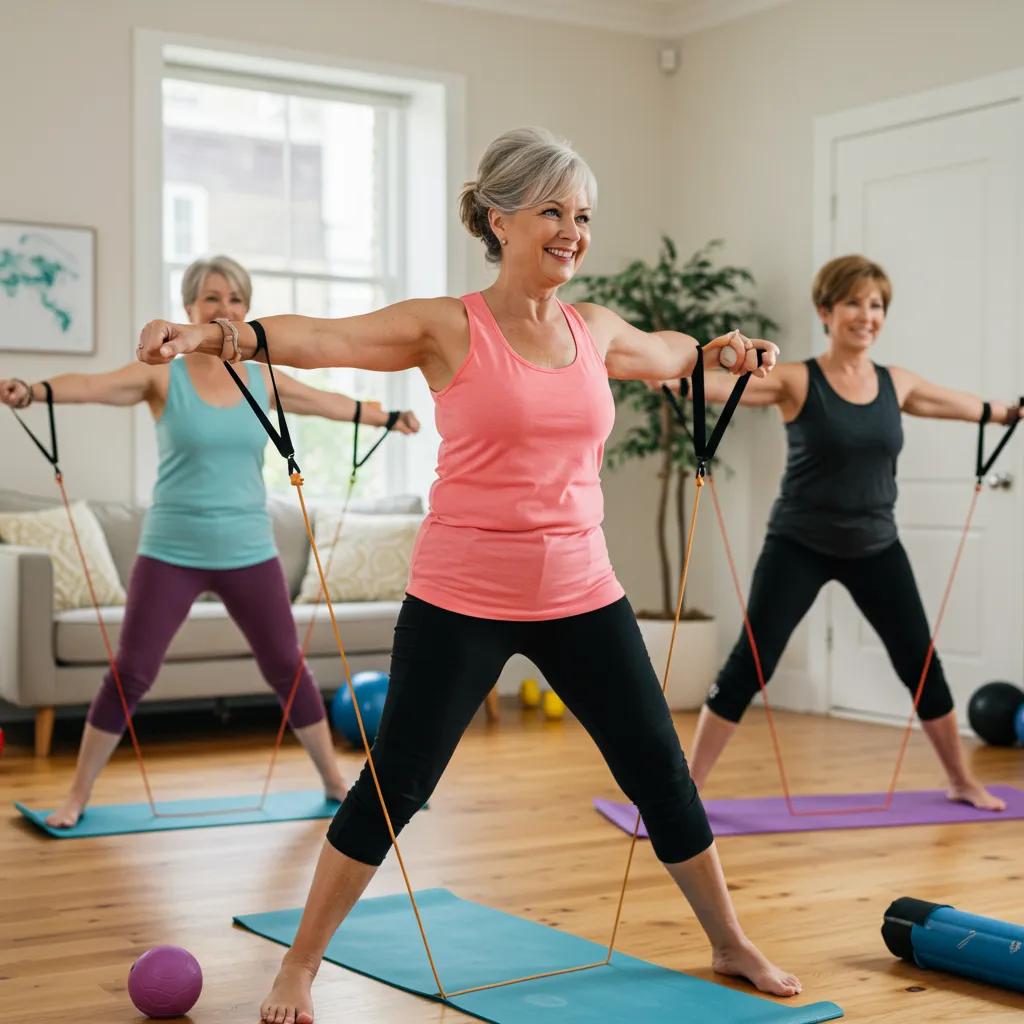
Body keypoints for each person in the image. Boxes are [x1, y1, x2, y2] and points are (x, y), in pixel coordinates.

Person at [138, 128, 799, 1024]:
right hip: (462, 599)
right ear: (502, 218)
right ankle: (299, 965)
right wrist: (218, 334)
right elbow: (326, 338)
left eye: (584, 216)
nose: (573, 231)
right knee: (397, 784)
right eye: (553, 212)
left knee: (661, 774)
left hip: (582, 593)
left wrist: (721, 351)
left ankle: (727, 938)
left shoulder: (592, 328)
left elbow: (671, 352)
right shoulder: (449, 326)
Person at [1, 255, 420, 829]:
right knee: (131, 672)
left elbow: (326, 404)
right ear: (190, 307)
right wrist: (34, 391)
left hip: (249, 548)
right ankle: (75, 795)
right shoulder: (161, 374)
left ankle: (331, 778)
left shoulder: (261, 375)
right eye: (212, 299)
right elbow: (94, 386)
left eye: (236, 300)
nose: (224, 309)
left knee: (286, 668)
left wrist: (385, 417)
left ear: (247, 310)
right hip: (171, 547)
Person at [683, 254, 1018, 811]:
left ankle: (960, 779)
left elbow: (962, 405)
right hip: (799, 544)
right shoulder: (795, 380)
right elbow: (709, 390)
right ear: (825, 310)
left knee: (919, 660)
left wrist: (1008, 412)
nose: (866, 315)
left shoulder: (897, 383)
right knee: (751, 664)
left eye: (877, 305)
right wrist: (681, 369)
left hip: (876, 546)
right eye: (854, 303)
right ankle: (686, 790)